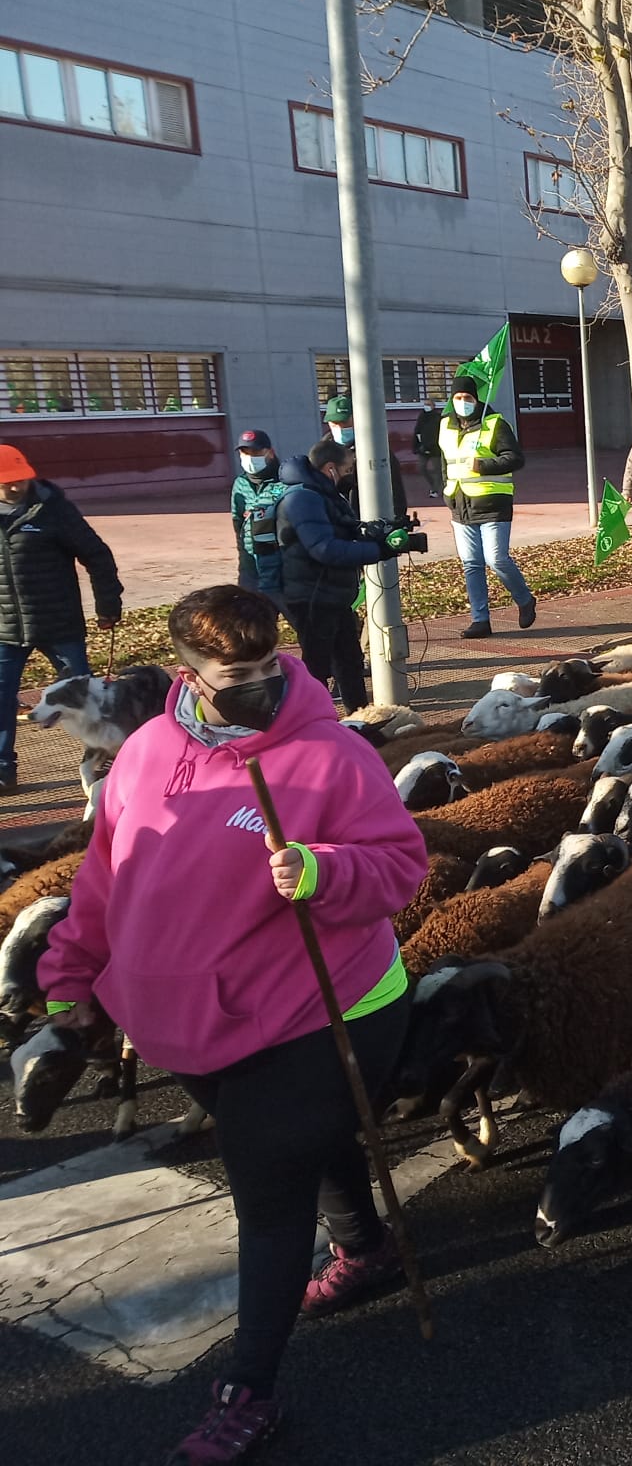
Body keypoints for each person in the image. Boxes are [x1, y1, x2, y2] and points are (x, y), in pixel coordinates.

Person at [36, 583, 428, 1463]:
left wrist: (323, 871)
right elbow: (107, 874)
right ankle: (367, 1249)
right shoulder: (144, 751)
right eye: (232, 675)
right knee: (299, 1141)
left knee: (269, 1187)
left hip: (313, 1011)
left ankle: (245, 1393)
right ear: (186, 673)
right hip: (188, 1016)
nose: (255, 687)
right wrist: (71, 974)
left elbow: (401, 867)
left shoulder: (330, 755)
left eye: (264, 670)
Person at [0, 444, 122, 792]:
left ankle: (102, 759)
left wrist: (107, 605)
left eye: (19, 480)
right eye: (6, 482)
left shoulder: (53, 510)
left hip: (59, 624)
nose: (14, 487)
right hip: (6, 627)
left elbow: (97, 555)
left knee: (88, 696)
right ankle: (3, 769)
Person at [278, 443, 415, 712]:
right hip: (313, 595)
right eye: (347, 469)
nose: (350, 474)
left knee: (349, 661)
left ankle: (360, 719)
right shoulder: (303, 498)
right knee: (317, 665)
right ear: (331, 469)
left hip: (331, 592)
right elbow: (324, 549)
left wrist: (374, 532)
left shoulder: (324, 493)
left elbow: (342, 528)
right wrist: (379, 550)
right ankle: (308, 723)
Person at [439, 374, 535, 639]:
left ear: (476, 398)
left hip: (493, 503)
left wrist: (483, 465)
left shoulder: (494, 424)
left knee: (497, 559)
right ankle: (480, 620)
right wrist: (446, 489)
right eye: (457, 398)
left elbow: (515, 458)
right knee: (471, 563)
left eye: (467, 398)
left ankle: (525, 599)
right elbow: (445, 463)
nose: (462, 402)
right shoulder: (445, 425)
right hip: (460, 504)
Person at [230, 429, 289, 599]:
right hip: (251, 568)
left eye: (255, 452)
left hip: (279, 565)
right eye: (245, 452)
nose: (250, 457)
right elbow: (237, 523)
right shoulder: (240, 484)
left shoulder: (284, 481)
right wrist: (243, 563)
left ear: (270, 452)